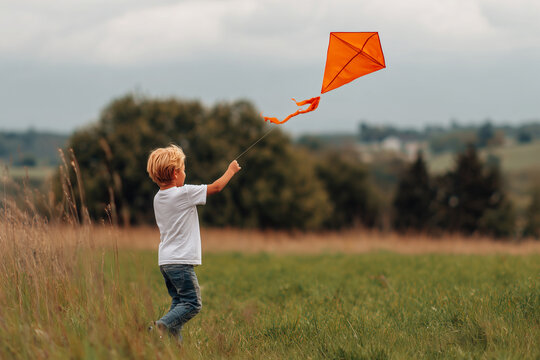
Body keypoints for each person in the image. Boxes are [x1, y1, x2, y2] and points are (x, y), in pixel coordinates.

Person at [146, 144, 241, 341]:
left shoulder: (158, 198)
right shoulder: (184, 193)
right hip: (180, 262)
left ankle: (175, 349)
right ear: (175, 173)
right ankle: (159, 327)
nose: (185, 173)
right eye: (183, 169)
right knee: (192, 304)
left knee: (178, 304)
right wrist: (231, 170)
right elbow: (216, 187)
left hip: (165, 262)